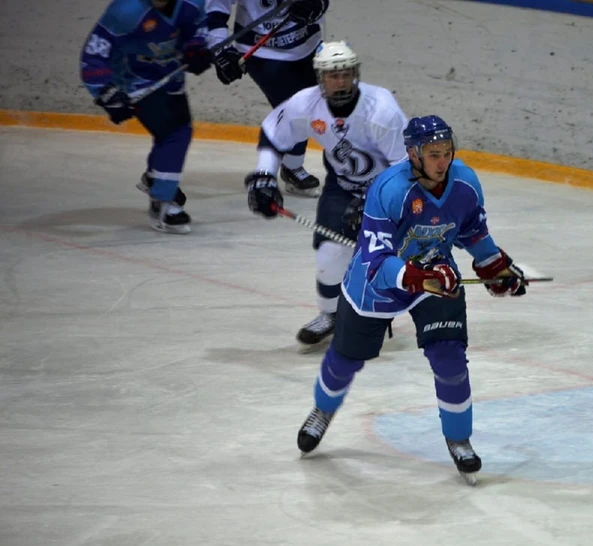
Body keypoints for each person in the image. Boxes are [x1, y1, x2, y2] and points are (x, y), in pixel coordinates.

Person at [248, 115, 529, 483]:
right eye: (433, 154)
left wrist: (494, 265)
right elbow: (377, 263)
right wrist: (420, 277)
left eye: (446, 152)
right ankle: (323, 409)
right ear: (413, 154)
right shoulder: (389, 189)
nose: (442, 161)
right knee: (344, 360)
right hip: (376, 285)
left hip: (435, 275)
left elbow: (472, 231)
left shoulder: (465, 182)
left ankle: (459, 439)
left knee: (449, 358)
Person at [243, 41, 408, 352]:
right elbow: (274, 133)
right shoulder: (306, 104)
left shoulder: (381, 109)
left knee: (396, 259)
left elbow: (406, 168)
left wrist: (375, 202)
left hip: (390, 192)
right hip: (342, 187)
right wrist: (264, 176)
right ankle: (331, 315)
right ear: (320, 77)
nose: (340, 81)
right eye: (333, 75)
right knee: (330, 255)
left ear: (355, 73)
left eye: (346, 73)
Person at [80, 0, 214, 234]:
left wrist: (196, 48)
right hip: (132, 81)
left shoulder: (192, 2)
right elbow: (93, 54)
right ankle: (163, 200)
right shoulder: (125, 11)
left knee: (172, 133)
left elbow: (199, 27)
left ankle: (155, 179)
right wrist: (106, 92)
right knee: (175, 133)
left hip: (171, 77)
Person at [206, 0, 330, 196]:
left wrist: (318, 4)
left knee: (323, 107)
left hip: (308, 45)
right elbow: (215, 8)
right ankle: (291, 167)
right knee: (296, 111)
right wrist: (220, 50)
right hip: (263, 53)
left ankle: (302, 166)